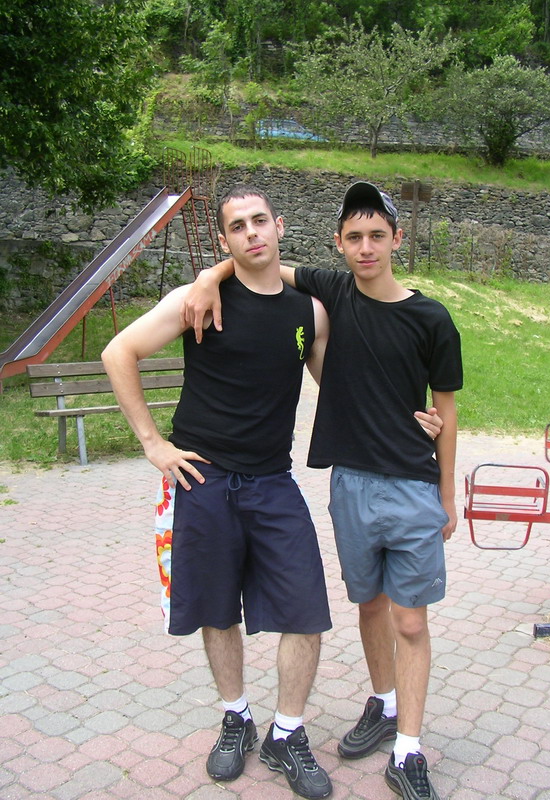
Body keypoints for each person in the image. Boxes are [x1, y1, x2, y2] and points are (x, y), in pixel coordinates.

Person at [182, 181, 463, 800]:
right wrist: (209, 275)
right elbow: (260, 263)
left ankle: (407, 749)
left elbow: (446, 408)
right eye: (354, 237)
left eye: (378, 236)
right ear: (338, 243)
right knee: (369, 606)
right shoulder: (331, 291)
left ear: (397, 239)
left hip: (412, 485)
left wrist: (448, 493)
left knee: (409, 620)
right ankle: (382, 705)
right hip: (350, 484)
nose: (366, 248)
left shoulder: (432, 318)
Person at [101, 185, 334, 800]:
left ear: (279, 226)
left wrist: (411, 416)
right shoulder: (198, 299)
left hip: (273, 481)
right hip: (201, 480)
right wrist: (153, 443)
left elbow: (340, 386)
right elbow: (118, 351)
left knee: (306, 610)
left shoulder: (309, 312)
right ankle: (237, 717)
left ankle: (287, 733)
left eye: (260, 220)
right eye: (238, 226)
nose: (252, 233)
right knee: (216, 610)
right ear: (225, 239)